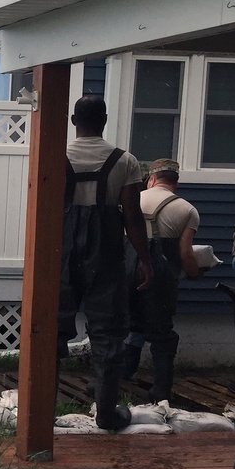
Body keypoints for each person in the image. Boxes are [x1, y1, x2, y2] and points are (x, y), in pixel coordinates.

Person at [60, 95, 152, 431]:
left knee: (53, 325)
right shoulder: (125, 160)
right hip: (107, 251)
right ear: (105, 120)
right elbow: (132, 216)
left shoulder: (56, 156)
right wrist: (144, 259)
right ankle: (106, 412)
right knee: (108, 331)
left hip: (63, 249)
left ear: (73, 121)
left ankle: (41, 408)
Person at [121, 159, 202, 402]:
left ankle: (118, 379)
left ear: (151, 180)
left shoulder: (133, 201)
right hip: (161, 275)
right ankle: (160, 391)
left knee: (124, 324)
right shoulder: (187, 210)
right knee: (162, 334)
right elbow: (186, 253)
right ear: (174, 182)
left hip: (126, 270)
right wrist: (195, 273)